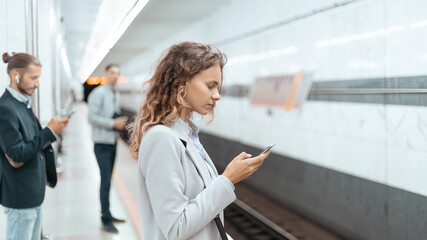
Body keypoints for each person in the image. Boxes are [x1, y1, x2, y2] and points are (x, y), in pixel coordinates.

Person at [128, 41, 270, 240]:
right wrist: (228, 179)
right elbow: (176, 228)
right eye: (210, 86)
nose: (217, 95)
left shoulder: (188, 135)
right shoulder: (161, 139)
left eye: (218, 87)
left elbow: (206, 222)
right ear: (181, 83)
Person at [0, 52, 70, 240]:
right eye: (33, 78)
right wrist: (49, 131)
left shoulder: (23, 104)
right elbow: (17, 153)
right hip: (20, 197)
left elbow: (32, 141)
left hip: (33, 193)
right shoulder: (6, 108)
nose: (37, 83)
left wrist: (53, 132)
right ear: (15, 75)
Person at [87, 64, 128, 233]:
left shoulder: (114, 93)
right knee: (105, 181)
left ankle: (109, 214)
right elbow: (91, 117)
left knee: (108, 180)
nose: (115, 76)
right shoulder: (98, 93)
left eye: (118, 73)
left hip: (112, 142)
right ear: (105, 74)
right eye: (112, 72)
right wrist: (113, 123)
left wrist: (119, 121)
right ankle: (105, 218)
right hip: (102, 144)